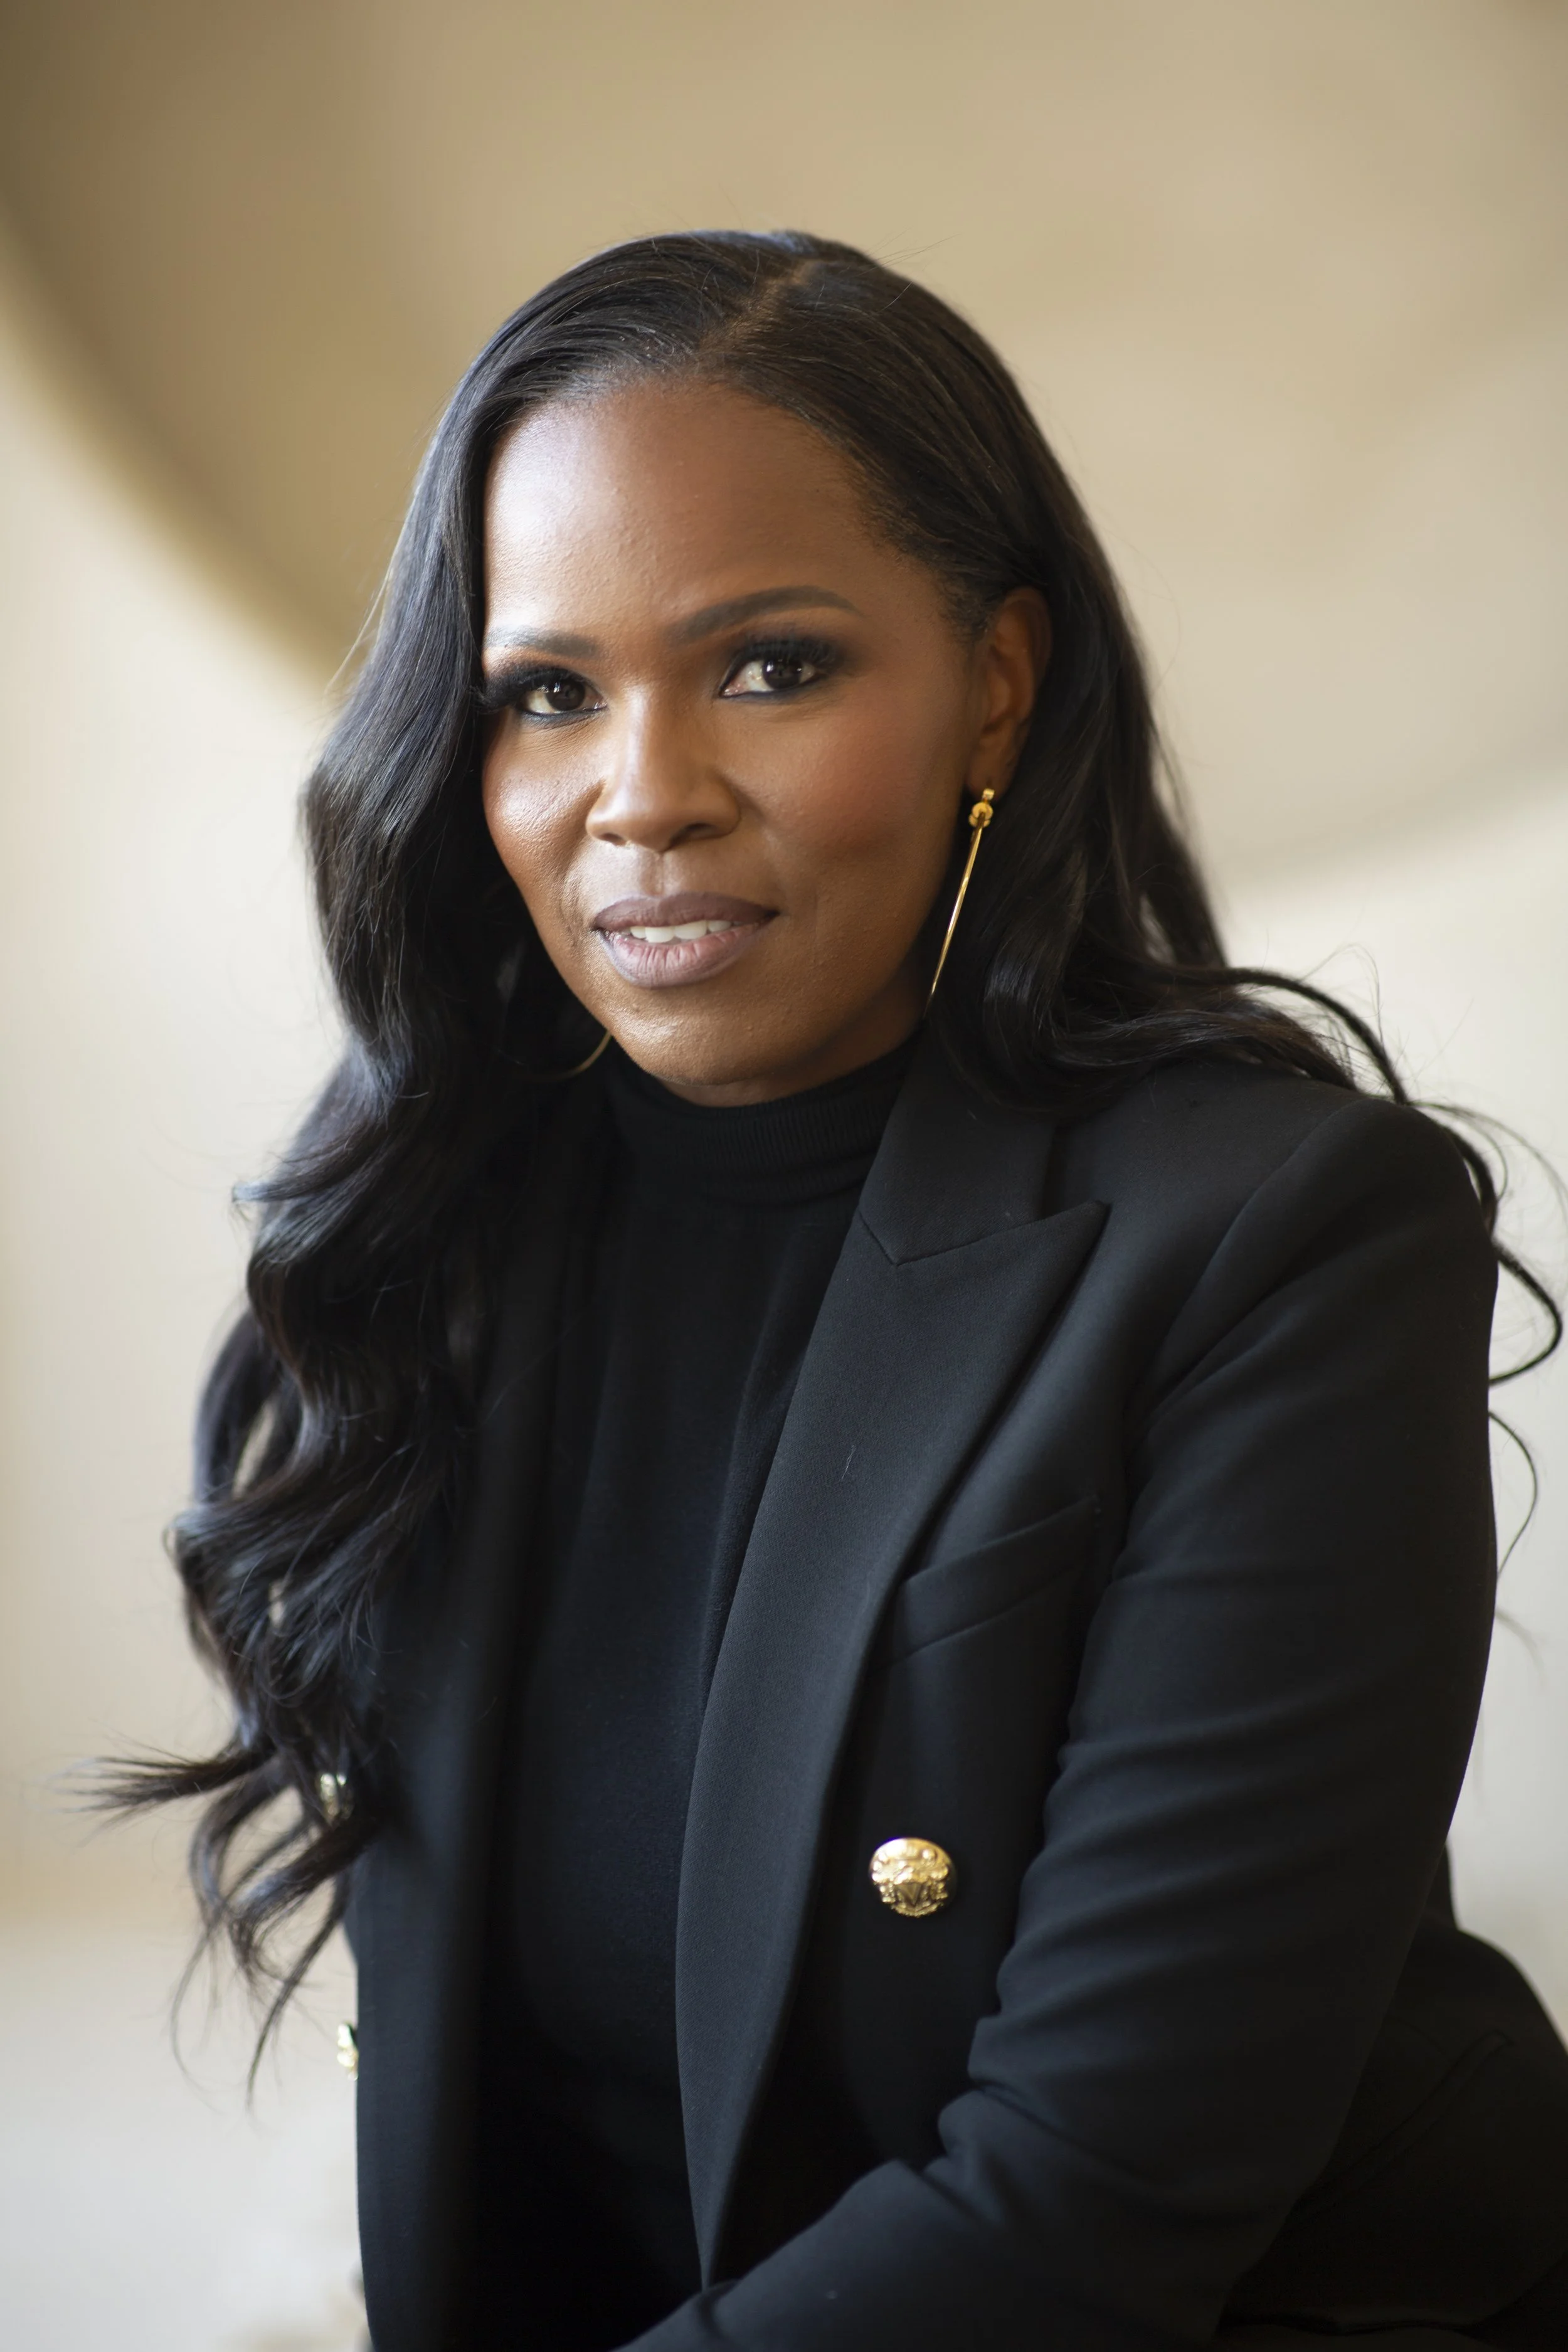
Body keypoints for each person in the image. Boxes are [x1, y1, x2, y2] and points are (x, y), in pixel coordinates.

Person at [129, 232, 1568, 2349]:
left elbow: (1086, 2196)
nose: (643, 793)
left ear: (994, 678)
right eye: (548, 691)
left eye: (769, 665)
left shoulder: (1285, 1237)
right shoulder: (449, 1226)